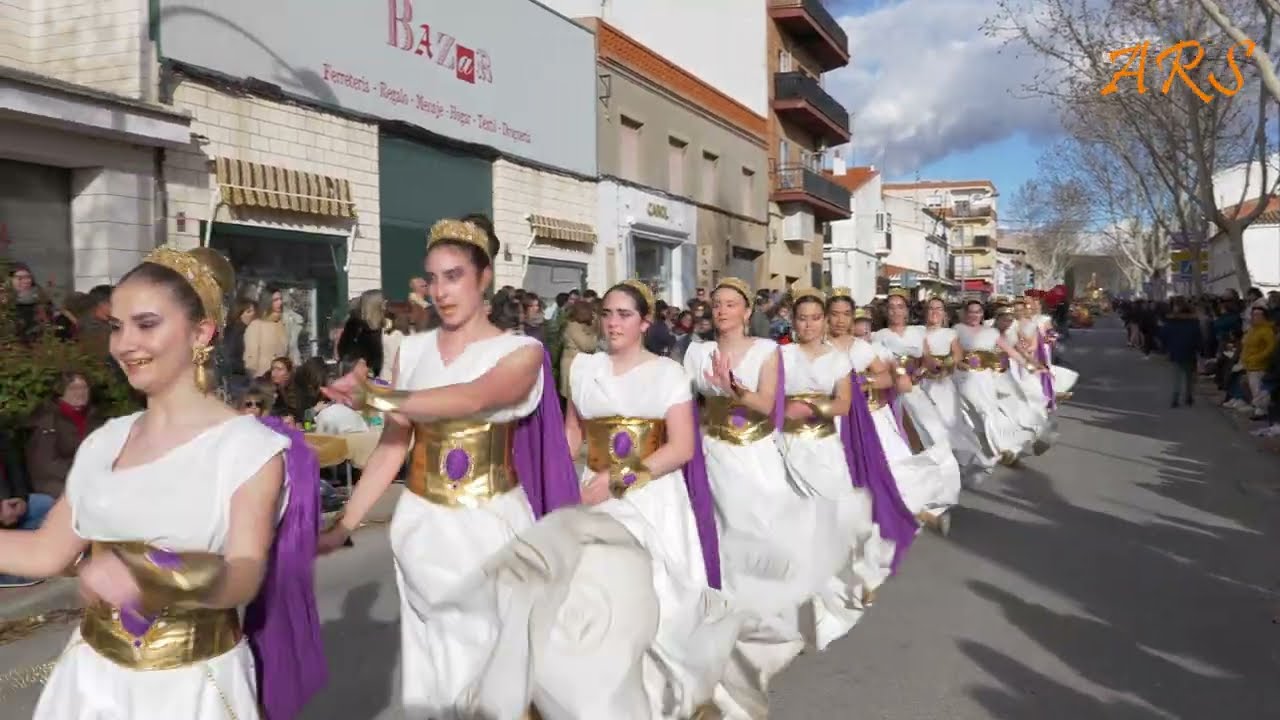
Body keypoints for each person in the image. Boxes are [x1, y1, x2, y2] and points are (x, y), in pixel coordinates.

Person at [318, 218, 660, 719]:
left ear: (483, 278)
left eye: (454, 276)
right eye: (432, 278)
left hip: (492, 526)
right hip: (422, 527)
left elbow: (478, 396)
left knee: (497, 666)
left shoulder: (520, 351)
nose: (441, 291)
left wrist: (377, 394)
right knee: (435, 669)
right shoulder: (410, 352)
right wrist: (345, 523)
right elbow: (394, 446)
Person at [2, 246, 324, 719]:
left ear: (201, 333)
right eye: (116, 326)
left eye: (146, 324)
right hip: (90, 684)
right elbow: (47, 550)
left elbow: (243, 574)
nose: (123, 344)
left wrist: (149, 578)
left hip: (192, 687)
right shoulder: (105, 441)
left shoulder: (248, 449)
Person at [564, 279, 739, 718]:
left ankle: (661, 698)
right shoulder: (583, 369)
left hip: (651, 493)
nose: (612, 323)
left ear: (644, 322)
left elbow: (681, 446)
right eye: (606, 313)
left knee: (658, 598)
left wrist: (620, 480)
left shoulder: (668, 373)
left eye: (624, 314)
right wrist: (558, 483)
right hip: (595, 493)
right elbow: (572, 433)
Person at [683, 278, 856, 719]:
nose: (721, 311)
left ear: (746, 312)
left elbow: (767, 404)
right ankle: (729, 631)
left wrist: (733, 388)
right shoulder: (696, 351)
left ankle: (771, 631)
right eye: (716, 304)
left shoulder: (766, 351)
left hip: (754, 456)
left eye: (730, 305)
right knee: (717, 542)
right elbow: (685, 405)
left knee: (761, 537)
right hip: (711, 452)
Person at [776, 287, 893, 649]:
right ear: (792, 321)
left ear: (824, 321)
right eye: (801, 318)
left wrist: (813, 409)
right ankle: (802, 602)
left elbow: (843, 404)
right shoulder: (779, 355)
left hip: (823, 446)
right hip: (783, 446)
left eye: (815, 318)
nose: (808, 325)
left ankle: (851, 577)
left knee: (833, 517)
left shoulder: (837, 359)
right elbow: (768, 395)